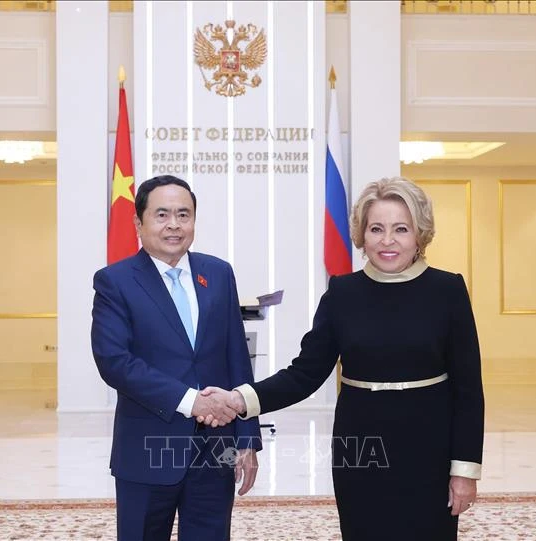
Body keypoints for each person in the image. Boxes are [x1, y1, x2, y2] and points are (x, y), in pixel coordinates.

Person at [201, 176, 484, 540]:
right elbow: (304, 374)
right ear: (361, 235)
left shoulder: (448, 291)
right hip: (359, 448)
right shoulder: (342, 293)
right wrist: (241, 399)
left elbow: (468, 391)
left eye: (401, 229)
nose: (387, 240)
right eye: (376, 229)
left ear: (420, 234)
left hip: (430, 449)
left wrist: (465, 470)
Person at [91, 175, 262, 541]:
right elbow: (114, 361)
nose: (174, 225)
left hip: (217, 448)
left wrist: (247, 437)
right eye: (162, 214)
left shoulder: (218, 273)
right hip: (147, 447)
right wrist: (191, 401)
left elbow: (236, 357)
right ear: (139, 223)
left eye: (184, 215)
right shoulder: (115, 281)